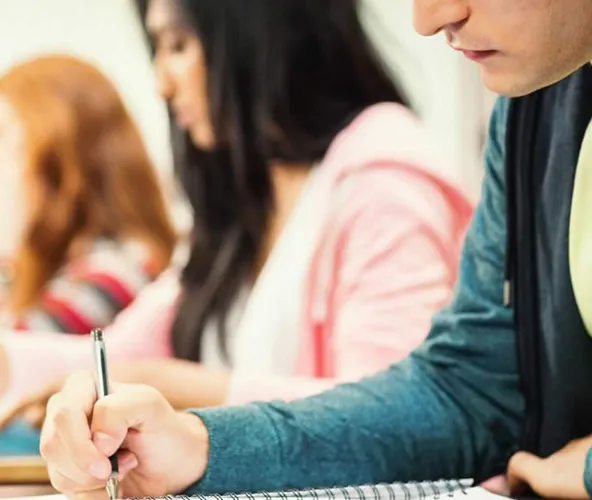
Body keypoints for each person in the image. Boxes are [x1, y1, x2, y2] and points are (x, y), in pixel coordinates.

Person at [45, 0, 592, 496]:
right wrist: (202, 444)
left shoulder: (385, 176)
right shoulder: (533, 106)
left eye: (180, 45)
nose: (428, 20)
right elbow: (468, 393)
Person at [0, 0, 472, 435]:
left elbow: (390, 418)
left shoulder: (385, 184)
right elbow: (121, 356)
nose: (162, 83)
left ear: (259, 33)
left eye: (179, 46)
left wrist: (171, 386)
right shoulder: (244, 206)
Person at [0, 55, 176, 335]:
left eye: (4, 138)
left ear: (58, 159)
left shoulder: (119, 270)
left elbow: (13, 360)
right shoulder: (48, 272)